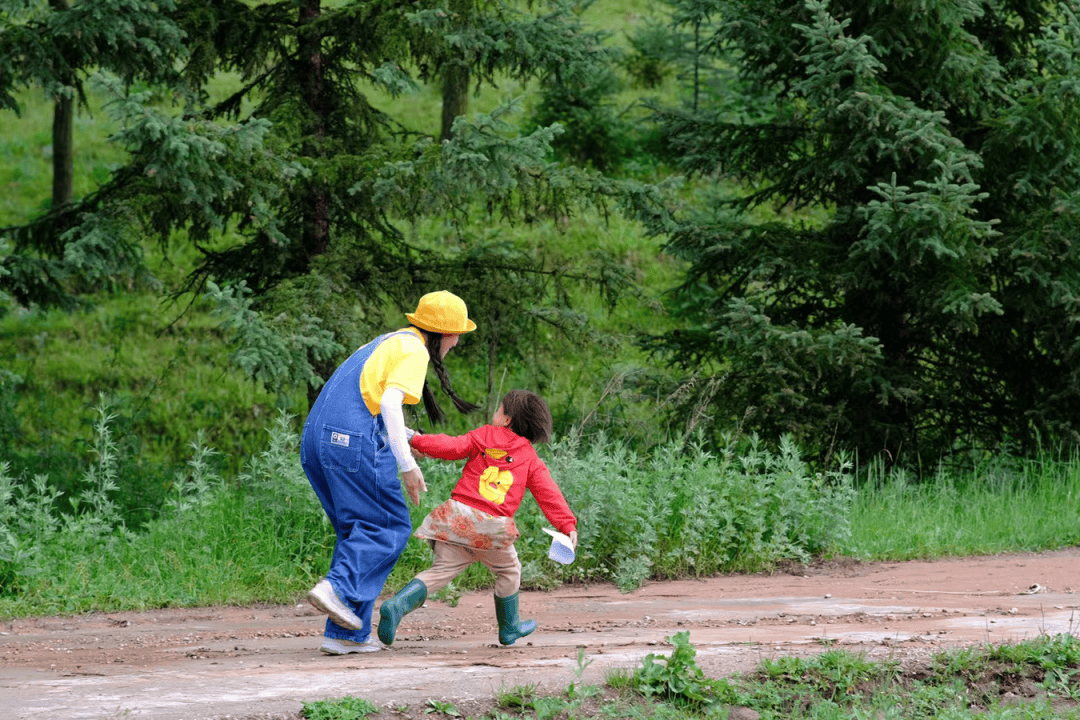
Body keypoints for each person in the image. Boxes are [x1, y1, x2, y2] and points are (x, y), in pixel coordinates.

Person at [301, 290, 479, 655]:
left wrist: (408, 439)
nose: (458, 342)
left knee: (358, 531)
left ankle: (345, 635)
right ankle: (337, 588)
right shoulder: (415, 351)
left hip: (316, 440)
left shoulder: (387, 342)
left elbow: (368, 399)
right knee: (387, 526)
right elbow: (389, 403)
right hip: (350, 440)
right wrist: (408, 466)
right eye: (456, 334)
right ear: (442, 334)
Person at [376, 389, 578, 648]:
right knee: (509, 570)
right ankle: (509, 627)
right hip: (491, 528)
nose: (495, 413)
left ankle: (397, 604)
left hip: (458, 518)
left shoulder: (483, 436)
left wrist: (416, 439)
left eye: (499, 409)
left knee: (441, 571)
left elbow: (451, 447)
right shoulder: (530, 458)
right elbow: (548, 494)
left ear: (506, 419)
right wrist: (566, 524)